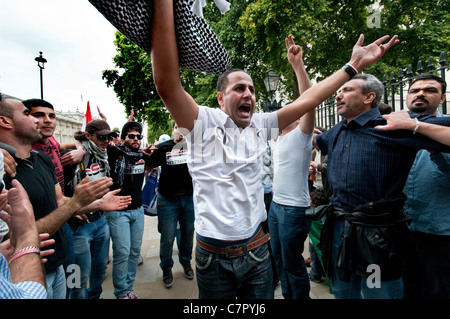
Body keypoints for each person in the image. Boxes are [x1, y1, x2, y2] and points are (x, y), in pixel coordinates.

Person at [151, 0, 398, 299]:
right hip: (212, 257)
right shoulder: (202, 123)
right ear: (219, 98)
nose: (249, 95)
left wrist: (353, 66)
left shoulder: (260, 125)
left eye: (252, 90)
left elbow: (307, 101)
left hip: (257, 253)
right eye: (239, 88)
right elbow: (166, 83)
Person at [314, 73, 450, 299]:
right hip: (339, 229)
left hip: (376, 236)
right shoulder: (336, 131)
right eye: (339, 91)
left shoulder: (394, 126)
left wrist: (414, 124)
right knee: (342, 290)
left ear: (369, 97)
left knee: (376, 290)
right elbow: (306, 133)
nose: (338, 95)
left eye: (347, 90)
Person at [0, 97, 128, 298]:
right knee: (77, 283)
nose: (45, 121)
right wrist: (78, 201)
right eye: (32, 114)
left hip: (63, 249)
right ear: (5, 121)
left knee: (93, 273)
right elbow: (15, 237)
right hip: (30, 271)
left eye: (52, 116)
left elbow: (59, 201)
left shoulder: (42, 158)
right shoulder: (3, 171)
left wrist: (99, 204)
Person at [380, 74, 449, 298]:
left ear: (442, 98)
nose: (420, 93)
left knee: (439, 289)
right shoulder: (392, 130)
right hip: (399, 229)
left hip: (437, 232)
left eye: (430, 90)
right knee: (406, 288)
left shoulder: (445, 130)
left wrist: (425, 134)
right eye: (414, 90)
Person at [22, 98, 85, 298]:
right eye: (38, 115)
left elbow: (76, 141)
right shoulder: (13, 159)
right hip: (37, 237)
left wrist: (80, 150)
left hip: (62, 222)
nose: (48, 121)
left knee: (71, 272)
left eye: (52, 116)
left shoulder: (49, 146)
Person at [267, 36, 315, 299]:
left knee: (293, 263)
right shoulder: (278, 139)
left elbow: (310, 100)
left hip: (293, 211)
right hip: (275, 207)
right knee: (278, 258)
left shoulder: (301, 136)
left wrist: (298, 67)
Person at [67, 119, 131, 299]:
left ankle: (95, 295)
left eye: (109, 136)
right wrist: (80, 148)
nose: (106, 141)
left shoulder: (105, 153)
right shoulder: (74, 157)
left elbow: (126, 146)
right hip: (78, 226)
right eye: (102, 137)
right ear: (88, 136)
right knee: (78, 275)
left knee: (101, 267)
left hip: (101, 221)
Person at [147, 122, 195, 288]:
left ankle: (186, 262)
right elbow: (149, 165)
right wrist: (145, 153)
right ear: (173, 130)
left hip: (189, 198)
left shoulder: (193, 146)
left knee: (188, 234)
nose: (181, 131)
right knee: (167, 237)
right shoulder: (163, 147)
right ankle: (166, 268)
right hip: (167, 200)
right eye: (177, 127)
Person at [105, 121, 149, 299]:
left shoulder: (142, 155)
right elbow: (90, 143)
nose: (136, 139)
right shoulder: (114, 153)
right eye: (131, 136)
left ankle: (128, 288)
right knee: (122, 252)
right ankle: (120, 292)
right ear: (124, 138)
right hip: (118, 211)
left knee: (134, 251)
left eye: (139, 136)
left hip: (138, 211)